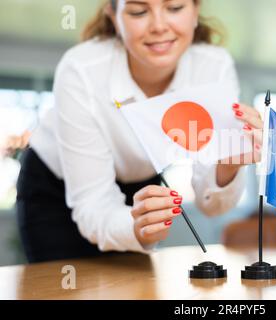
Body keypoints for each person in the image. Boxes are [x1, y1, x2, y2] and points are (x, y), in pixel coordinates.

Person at [16, 0, 263, 263]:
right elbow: (93, 203)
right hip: (56, 187)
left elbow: (211, 205)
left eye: (175, 8)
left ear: (195, 10)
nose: (158, 26)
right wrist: (136, 228)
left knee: (136, 284)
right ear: (113, 15)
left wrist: (228, 163)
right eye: (139, 11)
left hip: (142, 179)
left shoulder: (214, 67)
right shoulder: (81, 69)